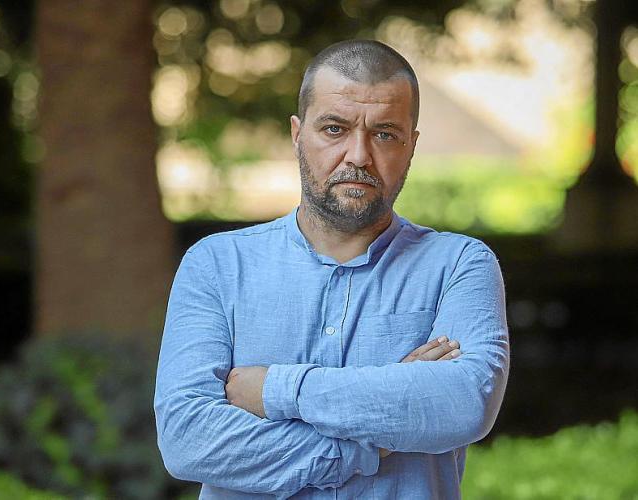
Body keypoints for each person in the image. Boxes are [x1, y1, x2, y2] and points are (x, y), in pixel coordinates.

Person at [154, 39, 509, 499]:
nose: (359, 155)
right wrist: (373, 438)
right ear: (297, 134)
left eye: (385, 134)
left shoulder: (459, 265)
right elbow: (188, 440)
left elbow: (464, 405)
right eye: (335, 129)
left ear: (412, 146)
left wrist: (274, 389)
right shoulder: (217, 265)